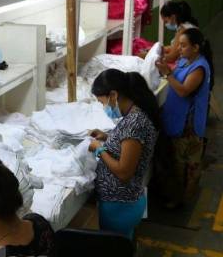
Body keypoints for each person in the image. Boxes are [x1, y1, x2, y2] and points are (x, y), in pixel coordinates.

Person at [88, 69, 159, 239]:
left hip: (120, 204)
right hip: (127, 201)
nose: (104, 107)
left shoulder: (134, 123)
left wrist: (99, 149)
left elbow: (124, 172)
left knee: (114, 253)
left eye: (102, 102)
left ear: (113, 95)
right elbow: (129, 144)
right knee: (123, 248)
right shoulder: (135, 115)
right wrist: (107, 137)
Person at [155, 28, 213, 208]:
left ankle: (180, 200)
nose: (179, 49)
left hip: (188, 123)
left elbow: (184, 90)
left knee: (183, 164)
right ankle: (175, 194)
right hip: (177, 117)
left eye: (183, 45)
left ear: (195, 47)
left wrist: (167, 73)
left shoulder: (200, 68)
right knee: (175, 159)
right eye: (179, 44)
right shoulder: (185, 60)